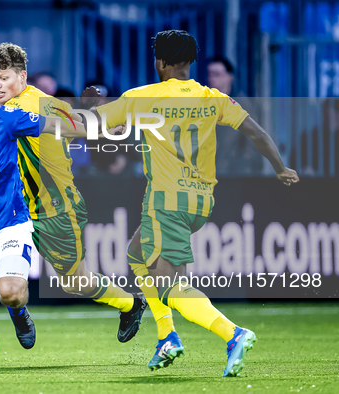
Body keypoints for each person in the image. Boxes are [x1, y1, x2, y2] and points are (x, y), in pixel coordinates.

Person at [0, 43, 147, 366]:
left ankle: (130, 303)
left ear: (22, 76)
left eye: (4, 78)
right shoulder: (12, 107)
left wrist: (100, 125)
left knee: (74, 280)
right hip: (16, 210)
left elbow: (66, 123)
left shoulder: (32, 105)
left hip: (53, 209)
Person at [94, 30, 299, 377]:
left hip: (166, 201)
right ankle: (166, 336)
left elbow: (88, 123)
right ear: (190, 61)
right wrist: (281, 168)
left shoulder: (141, 97)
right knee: (135, 253)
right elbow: (256, 133)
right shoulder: (213, 97)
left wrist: (38, 123)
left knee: (171, 286)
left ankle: (232, 334)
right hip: (200, 202)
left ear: (160, 61)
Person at [206, 56, 263, 176]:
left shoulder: (242, 106)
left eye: (216, 74)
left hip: (233, 176)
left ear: (229, 77)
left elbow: (252, 144)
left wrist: (239, 171)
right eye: (209, 74)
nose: (211, 79)